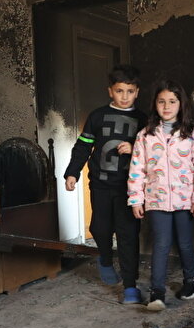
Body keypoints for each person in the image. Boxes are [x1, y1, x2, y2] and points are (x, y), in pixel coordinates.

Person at [63, 65, 148, 304]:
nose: (124, 96)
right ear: (110, 91)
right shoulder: (97, 116)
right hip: (100, 184)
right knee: (99, 228)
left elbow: (154, 151)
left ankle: (130, 286)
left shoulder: (143, 120)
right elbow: (83, 147)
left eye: (129, 91)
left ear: (137, 92)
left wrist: (135, 148)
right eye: (119, 91)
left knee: (128, 234)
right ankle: (105, 259)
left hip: (129, 189)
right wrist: (73, 172)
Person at [127, 80, 194, 311]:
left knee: (185, 243)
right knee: (161, 244)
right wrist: (136, 199)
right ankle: (157, 293)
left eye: (172, 102)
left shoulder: (192, 133)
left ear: (181, 104)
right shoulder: (145, 135)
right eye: (161, 101)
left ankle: (191, 281)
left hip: (185, 200)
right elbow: (137, 168)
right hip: (156, 199)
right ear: (155, 104)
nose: (166, 107)